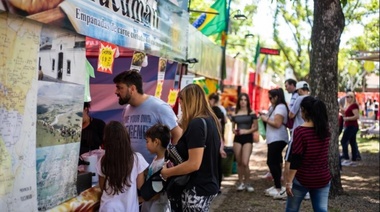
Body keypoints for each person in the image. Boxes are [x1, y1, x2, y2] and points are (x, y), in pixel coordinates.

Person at [160, 84, 222, 211]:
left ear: (188, 100)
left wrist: (167, 172)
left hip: (197, 188)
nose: (180, 105)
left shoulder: (197, 124)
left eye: (181, 100)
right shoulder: (210, 120)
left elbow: (194, 164)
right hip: (206, 185)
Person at [113, 69, 182, 163]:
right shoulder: (127, 110)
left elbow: (178, 134)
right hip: (132, 170)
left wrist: (170, 160)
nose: (116, 92)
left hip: (155, 172)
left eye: (120, 88)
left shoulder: (159, 107)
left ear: (132, 89)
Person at [285, 96, 331, 212]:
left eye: (301, 110)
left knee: (292, 209)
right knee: (321, 209)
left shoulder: (300, 131)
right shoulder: (325, 130)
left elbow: (296, 158)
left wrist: (289, 181)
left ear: (305, 111)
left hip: (303, 178)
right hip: (322, 178)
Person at [96, 121, 149, 211]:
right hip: (129, 208)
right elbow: (140, 186)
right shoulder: (137, 159)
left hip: (107, 207)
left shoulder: (102, 161)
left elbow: (102, 186)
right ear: (126, 138)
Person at [259, 88, 289, 199]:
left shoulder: (280, 107)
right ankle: (277, 186)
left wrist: (265, 119)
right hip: (273, 138)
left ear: (277, 97)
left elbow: (277, 123)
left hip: (278, 138)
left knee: (271, 162)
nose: (270, 99)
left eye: (271, 97)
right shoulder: (274, 107)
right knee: (276, 161)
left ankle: (278, 187)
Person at [284, 81, 311, 200]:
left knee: (289, 160)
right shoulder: (313, 99)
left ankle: (287, 187)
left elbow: (291, 115)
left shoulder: (299, 99)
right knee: (306, 162)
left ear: (299, 90)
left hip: (297, 134)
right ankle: (308, 191)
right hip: (309, 135)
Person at [230, 93, 258, 192]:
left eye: (245, 100)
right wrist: (234, 130)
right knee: (239, 162)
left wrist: (246, 131)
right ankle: (240, 182)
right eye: (241, 99)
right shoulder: (235, 113)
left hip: (248, 138)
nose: (243, 101)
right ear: (239, 101)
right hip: (237, 138)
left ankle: (247, 182)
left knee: (245, 162)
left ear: (247, 101)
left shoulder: (251, 113)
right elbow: (232, 127)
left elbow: (256, 127)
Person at [141, 124, 171, 212]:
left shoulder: (162, 165)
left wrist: (142, 198)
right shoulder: (156, 159)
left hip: (157, 206)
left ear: (156, 142)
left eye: (147, 141)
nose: (146, 145)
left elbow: (158, 193)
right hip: (150, 204)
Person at [340, 91, 361, 166]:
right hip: (349, 126)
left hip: (352, 126)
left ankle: (346, 158)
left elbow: (357, 116)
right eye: (347, 96)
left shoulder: (354, 105)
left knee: (343, 141)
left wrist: (347, 118)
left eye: (350, 96)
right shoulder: (348, 105)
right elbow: (345, 115)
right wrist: (342, 112)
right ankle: (354, 160)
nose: (348, 98)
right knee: (352, 142)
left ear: (353, 98)